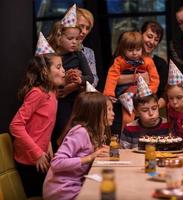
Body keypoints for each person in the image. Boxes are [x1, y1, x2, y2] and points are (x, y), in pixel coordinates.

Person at [9, 33, 65, 198]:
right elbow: (16, 125)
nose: (63, 70)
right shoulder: (37, 93)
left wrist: (47, 144)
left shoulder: (53, 93)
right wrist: (37, 153)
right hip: (29, 160)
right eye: (58, 67)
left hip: (41, 156)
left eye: (62, 66)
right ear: (44, 71)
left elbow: (42, 125)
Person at [43, 92, 114, 200]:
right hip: (62, 190)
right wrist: (90, 157)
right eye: (109, 110)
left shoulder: (93, 133)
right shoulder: (81, 132)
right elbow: (56, 163)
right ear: (95, 112)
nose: (113, 114)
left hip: (75, 185)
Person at [48, 4, 94, 151]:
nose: (75, 41)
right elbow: (43, 79)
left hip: (73, 101)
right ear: (59, 37)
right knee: (57, 132)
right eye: (70, 38)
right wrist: (63, 81)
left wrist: (78, 81)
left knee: (72, 133)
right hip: (53, 100)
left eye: (76, 38)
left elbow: (90, 78)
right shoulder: (51, 56)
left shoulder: (79, 55)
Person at [103, 31, 159, 133]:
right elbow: (112, 76)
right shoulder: (119, 61)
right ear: (123, 50)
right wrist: (108, 93)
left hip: (144, 93)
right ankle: (126, 135)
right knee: (128, 116)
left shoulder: (148, 61)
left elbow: (154, 78)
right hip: (125, 92)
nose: (134, 53)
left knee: (146, 115)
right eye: (130, 50)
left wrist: (150, 91)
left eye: (138, 49)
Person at [118, 21, 168, 108]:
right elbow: (112, 79)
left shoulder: (161, 64)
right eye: (149, 36)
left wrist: (151, 108)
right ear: (140, 34)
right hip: (123, 106)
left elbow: (164, 93)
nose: (152, 42)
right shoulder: (123, 57)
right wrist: (138, 77)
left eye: (156, 40)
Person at [77, 7, 99, 87]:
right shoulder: (56, 50)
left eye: (87, 28)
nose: (84, 31)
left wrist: (77, 84)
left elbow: (94, 80)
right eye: (81, 26)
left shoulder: (88, 52)